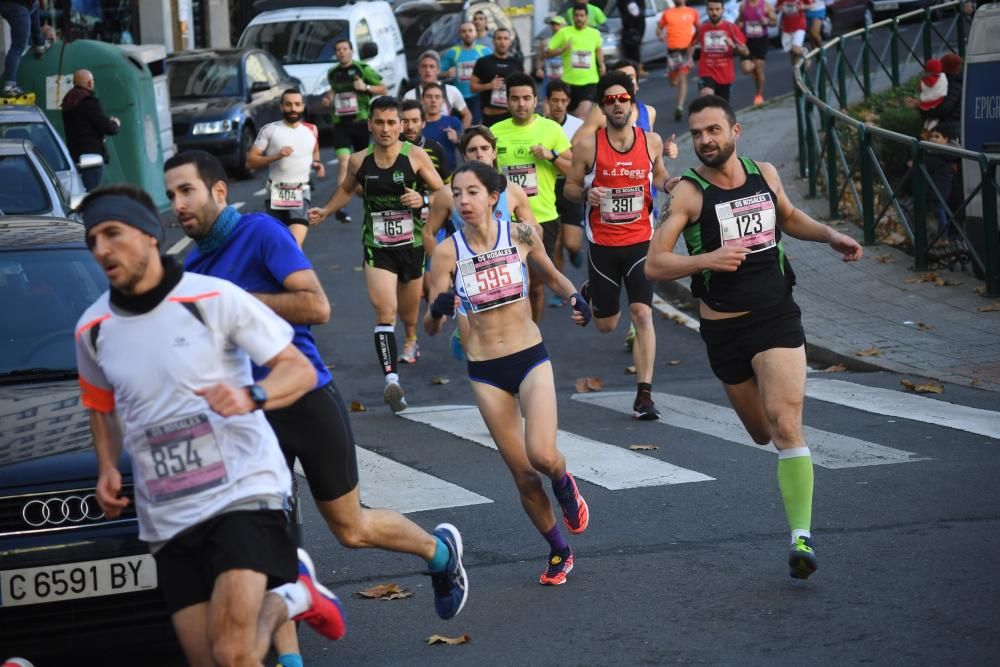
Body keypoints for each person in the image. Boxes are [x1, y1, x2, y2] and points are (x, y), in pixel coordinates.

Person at [163, 151, 468, 665]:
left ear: (218, 191)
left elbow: (316, 306)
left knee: (351, 529)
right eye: (170, 196)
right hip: (248, 420)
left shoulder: (260, 234)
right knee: (271, 553)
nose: (177, 205)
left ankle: (440, 554)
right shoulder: (190, 270)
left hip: (305, 398)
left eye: (186, 191)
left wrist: (235, 302)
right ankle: (290, 660)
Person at [75, 184, 348, 665]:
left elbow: (299, 369)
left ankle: (287, 595)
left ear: (147, 235)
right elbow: (100, 404)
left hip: (243, 490)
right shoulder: (92, 329)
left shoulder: (214, 298)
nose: (101, 249)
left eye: (112, 234)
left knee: (233, 651)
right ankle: (291, 594)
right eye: (92, 240)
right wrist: (105, 466)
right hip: (167, 512)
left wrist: (252, 395)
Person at [645, 95, 863, 579]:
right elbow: (655, 263)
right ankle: (782, 464)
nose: (705, 140)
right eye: (698, 133)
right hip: (723, 329)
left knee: (785, 424)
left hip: (776, 315)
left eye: (713, 131)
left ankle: (801, 537)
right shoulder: (688, 194)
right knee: (762, 433)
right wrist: (706, 259)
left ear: (735, 131)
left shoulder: (764, 173)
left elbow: (786, 217)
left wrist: (830, 235)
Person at [424, 160, 592, 585]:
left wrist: (576, 299)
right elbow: (430, 323)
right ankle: (558, 550)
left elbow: (552, 276)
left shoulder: (519, 234)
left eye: (472, 192)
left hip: (529, 356)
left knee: (542, 455)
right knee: (521, 474)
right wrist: (438, 310)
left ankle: (564, 479)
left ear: (493, 197)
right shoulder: (447, 253)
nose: (463, 201)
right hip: (485, 370)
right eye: (457, 193)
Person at [308, 97, 452, 411]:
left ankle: (411, 337)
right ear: (370, 124)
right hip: (377, 247)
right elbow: (346, 189)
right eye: (379, 122)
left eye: (391, 123)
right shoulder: (360, 161)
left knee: (408, 313)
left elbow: (442, 190)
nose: (385, 129)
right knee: (385, 312)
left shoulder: (414, 156)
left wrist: (423, 201)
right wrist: (327, 210)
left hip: (411, 246)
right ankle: (392, 382)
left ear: (401, 126)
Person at [565, 71, 674, 421]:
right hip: (603, 245)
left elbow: (658, 175)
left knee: (642, 313)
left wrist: (671, 183)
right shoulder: (588, 145)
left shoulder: (651, 141)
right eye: (609, 100)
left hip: (642, 241)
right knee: (606, 325)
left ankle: (644, 395)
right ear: (602, 107)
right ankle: (592, 289)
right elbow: (568, 188)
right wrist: (586, 193)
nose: (617, 105)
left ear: (632, 102)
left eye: (622, 99)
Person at [491, 72, 573, 322]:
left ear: (536, 100)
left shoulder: (551, 129)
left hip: (542, 217)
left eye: (526, 98)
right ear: (507, 101)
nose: (521, 103)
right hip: (504, 221)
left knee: (535, 285)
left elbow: (574, 170)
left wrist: (552, 155)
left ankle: (532, 332)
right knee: (512, 286)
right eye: (515, 98)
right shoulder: (494, 132)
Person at [245, 89, 324, 247]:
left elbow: (314, 151)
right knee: (279, 245)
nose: (293, 109)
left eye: (297, 104)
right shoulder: (269, 130)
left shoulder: (312, 129)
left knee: (293, 244)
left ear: (303, 106)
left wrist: (316, 163)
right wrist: (276, 157)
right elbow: (250, 162)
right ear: (281, 107)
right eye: (288, 105)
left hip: (301, 192)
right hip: (275, 193)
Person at [323, 38, 388, 224]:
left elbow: (383, 89)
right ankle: (340, 207)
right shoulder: (332, 73)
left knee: (361, 169)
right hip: (340, 123)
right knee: (344, 162)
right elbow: (333, 91)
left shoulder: (363, 69)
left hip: (360, 122)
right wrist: (328, 99)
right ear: (336, 53)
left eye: (344, 49)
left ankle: (368, 197)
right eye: (338, 49)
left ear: (351, 51)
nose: (341, 52)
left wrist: (366, 87)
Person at [545, 79, 585, 294]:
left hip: (570, 188)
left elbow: (578, 162)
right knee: (556, 243)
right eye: (555, 100)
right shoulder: (539, 126)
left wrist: (552, 156)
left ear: (568, 101)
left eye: (563, 100)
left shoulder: (577, 126)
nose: (559, 105)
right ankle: (559, 291)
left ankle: (575, 252)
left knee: (571, 244)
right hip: (548, 189)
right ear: (547, 102)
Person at [60, 68, 121, 192]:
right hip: (92, 157)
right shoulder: (89, 103)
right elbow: (107, 127)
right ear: (89, 83)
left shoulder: (68, 101)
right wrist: (115, 123)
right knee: (93, 194)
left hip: (75, 155)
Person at [545, 3, 605, 118]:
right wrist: (562, 50)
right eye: (576, 15)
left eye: (582, 15)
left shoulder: (594, 33)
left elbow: (598, 49)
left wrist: (602, 64)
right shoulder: (564, 32)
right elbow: (547, 53)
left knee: (581, 116)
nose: (579, 18)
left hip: (590, 81)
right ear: (572, 17)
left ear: (586, 17)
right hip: (568, 81)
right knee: (568, 116)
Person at [688, 0, 749, 101]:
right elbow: (692, 44)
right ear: (707, 10)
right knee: (707, 97)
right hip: (706, 72)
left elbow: (746, 52)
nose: (714, 12)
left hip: (725, 75)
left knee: (722, 108)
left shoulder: (731, 28)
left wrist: (734, 47)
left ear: (723, 10)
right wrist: (690, 58)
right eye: (711, 9)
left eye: (717, 9)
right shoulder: (702, 28)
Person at [402, 50, 472, 128]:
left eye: (432, 66)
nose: (427, 70)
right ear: (419, 69)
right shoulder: (409, 96)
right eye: (424, 66)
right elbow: (402, 121)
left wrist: (460, 136)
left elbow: (467, 115)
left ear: (438, 70)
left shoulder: (451, 90)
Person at [470, 28, 524, 127]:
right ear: (493, 41)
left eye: (505, 38)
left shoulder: (516, 63)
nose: (502, 42)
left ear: (509, 42)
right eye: (499, 38)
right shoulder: (483, 62)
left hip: (512, 115)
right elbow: (472, 87)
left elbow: (525, 87)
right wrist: (489, 86)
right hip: (491, 116)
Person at [441, 22, 493, 125]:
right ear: (460, 34)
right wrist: (446, 74)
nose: (467, 34)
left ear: (475, 33)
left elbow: (493, 70)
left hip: (477, 96)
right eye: (464, 31)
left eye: (470, 30)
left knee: (474, 124)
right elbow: (438, 72)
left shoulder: (484, 51)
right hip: (458, 96)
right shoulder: (452, 52)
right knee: (458, 126)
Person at [657, 0, 700, 121]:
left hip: (686, 50)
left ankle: (679, 107)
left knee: (682, 79)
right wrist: (660, 35)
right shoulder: (667, 13)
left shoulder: (692, 12)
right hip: (672, 52)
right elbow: (659, 29)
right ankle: (674, 77)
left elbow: (700, 29)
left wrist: (694, 43)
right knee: (673, 82)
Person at [1, 0, 53, 97]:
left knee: (35, 5)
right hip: (18, 7)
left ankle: (39, 44)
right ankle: (9, 86)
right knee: (18, 48)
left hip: (9, 5)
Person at [400, 98, 451, 183]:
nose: (410, 127)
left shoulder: (436, 149)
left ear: (423, 123)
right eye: (405, 121)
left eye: (415, 121)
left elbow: (448, 185)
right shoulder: (391, 149)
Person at [737, 0, 776, 105]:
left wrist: (767, 21)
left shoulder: (765, 5)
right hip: (747, 41)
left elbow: (774, 22)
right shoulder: (743, 5)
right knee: (745, 69)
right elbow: (739, 21)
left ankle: (758, 95)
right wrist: (739, 24)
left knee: (759, 70)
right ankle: (754, 66)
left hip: (761, 40)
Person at [421, 83, 464, 173]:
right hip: (422, 173)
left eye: (437, 97)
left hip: (450, 173)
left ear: (443, 101)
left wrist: (457, 140)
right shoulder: (415, 124)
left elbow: (467, 150)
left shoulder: (453, 122)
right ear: (422, 100)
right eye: (429, 97)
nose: (433, 100)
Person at [535, 14, 567, 116]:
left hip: (564, 76)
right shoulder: (546, 42)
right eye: (553, 24)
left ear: (563, 26)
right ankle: (546, 117)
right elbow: (541, 57)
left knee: (562, 99)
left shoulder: (568, 42)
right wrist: (539, 68)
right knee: (546, 98)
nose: (555, 27)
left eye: (557, 24)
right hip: (549, 76)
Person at [776, 0, 807, 68]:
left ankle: (807, 54)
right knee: (793, 55)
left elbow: (811, 5)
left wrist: (803, 7)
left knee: (795, 48)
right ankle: (798, 75)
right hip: (787, 28)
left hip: (799, 26)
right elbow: (776, 9)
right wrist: (779, 8)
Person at [616, 0, 645, 66]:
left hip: (633, 31)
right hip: (631, 31)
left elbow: (637, 15)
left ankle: (636, 68)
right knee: (631, 54)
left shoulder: (631, 3)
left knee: (633, 53)